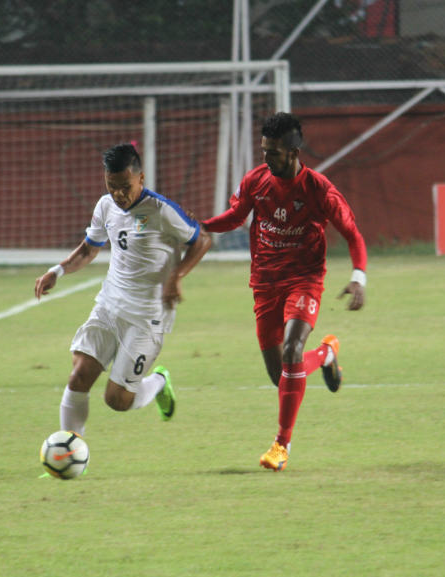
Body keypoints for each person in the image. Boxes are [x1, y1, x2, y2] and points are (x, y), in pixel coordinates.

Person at [202, 112, 367, 472]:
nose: (266, 158)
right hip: (264, 285)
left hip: (304, 280)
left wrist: (359, 277)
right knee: (281, 376)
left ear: (293, 151)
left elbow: (353, 234)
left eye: (273, 152)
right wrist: (199, 224)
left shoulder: (319, 190)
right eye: (263, 151)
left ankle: (281, 444)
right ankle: (325, 354)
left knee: (293, 347)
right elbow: (234, 217)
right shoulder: (256, 180)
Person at [34, 143, 211, 438]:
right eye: (111, 185)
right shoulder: (106, 206)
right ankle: (69, 452)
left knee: (116, 400)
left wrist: (176, 276)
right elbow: (89, 249)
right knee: (79, 376)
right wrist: (58, 270)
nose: (118, 193)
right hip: (110, 305)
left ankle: (157, 383)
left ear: (140, 179)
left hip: (147, 316)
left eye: (124, 186)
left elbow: (202, 239)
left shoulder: (161, 211)